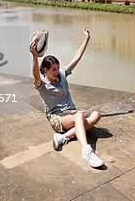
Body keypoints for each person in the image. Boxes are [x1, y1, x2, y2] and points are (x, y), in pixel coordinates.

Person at [29, 28, 104, 168]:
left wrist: (86, 39)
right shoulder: (42, 84)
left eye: (58, 68)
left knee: (96, 115)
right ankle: (86, 151)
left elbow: (77, 57)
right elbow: (35, 75)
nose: (57, 72)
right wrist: (34, 56)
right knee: (79, 117)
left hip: (72, 113)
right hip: (57, 117)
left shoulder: (62, 74)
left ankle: (63, 137)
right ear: (45, 70)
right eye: (53, 70)